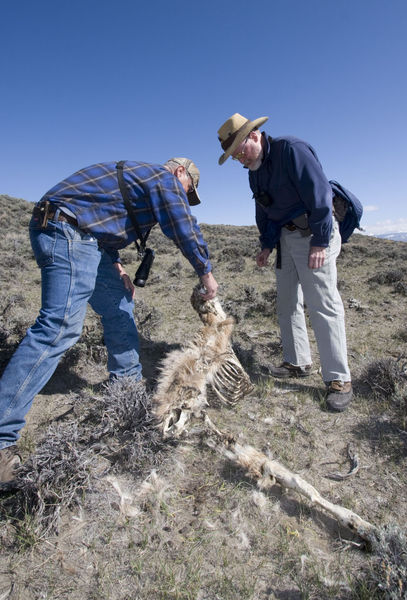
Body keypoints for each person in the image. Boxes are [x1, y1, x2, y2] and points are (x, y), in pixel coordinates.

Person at [0, 157, 218, 489]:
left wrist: (115, 264)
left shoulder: (137, 180)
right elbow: (181, 223)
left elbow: (102, 218)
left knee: (119, 305)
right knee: (59, 327)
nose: (183, 196)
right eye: (186, 191)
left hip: (84, 237)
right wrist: (205, 271)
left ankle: (126, 394)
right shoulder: (164, 179)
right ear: (180, 173)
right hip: (67, 230)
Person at [217, 113, 352, 413]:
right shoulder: (254, 169)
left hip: (314, 233)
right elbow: (264, 209)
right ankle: (297, 362)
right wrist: (266, 244)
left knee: (323, 304)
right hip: (286, 241)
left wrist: (319, 240)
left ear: (254, 135)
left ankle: (339, 379)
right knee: (287, 302)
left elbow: (320, 195)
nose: (239, 158)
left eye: (240, 149)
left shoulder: (291, 150)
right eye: (233, 154)